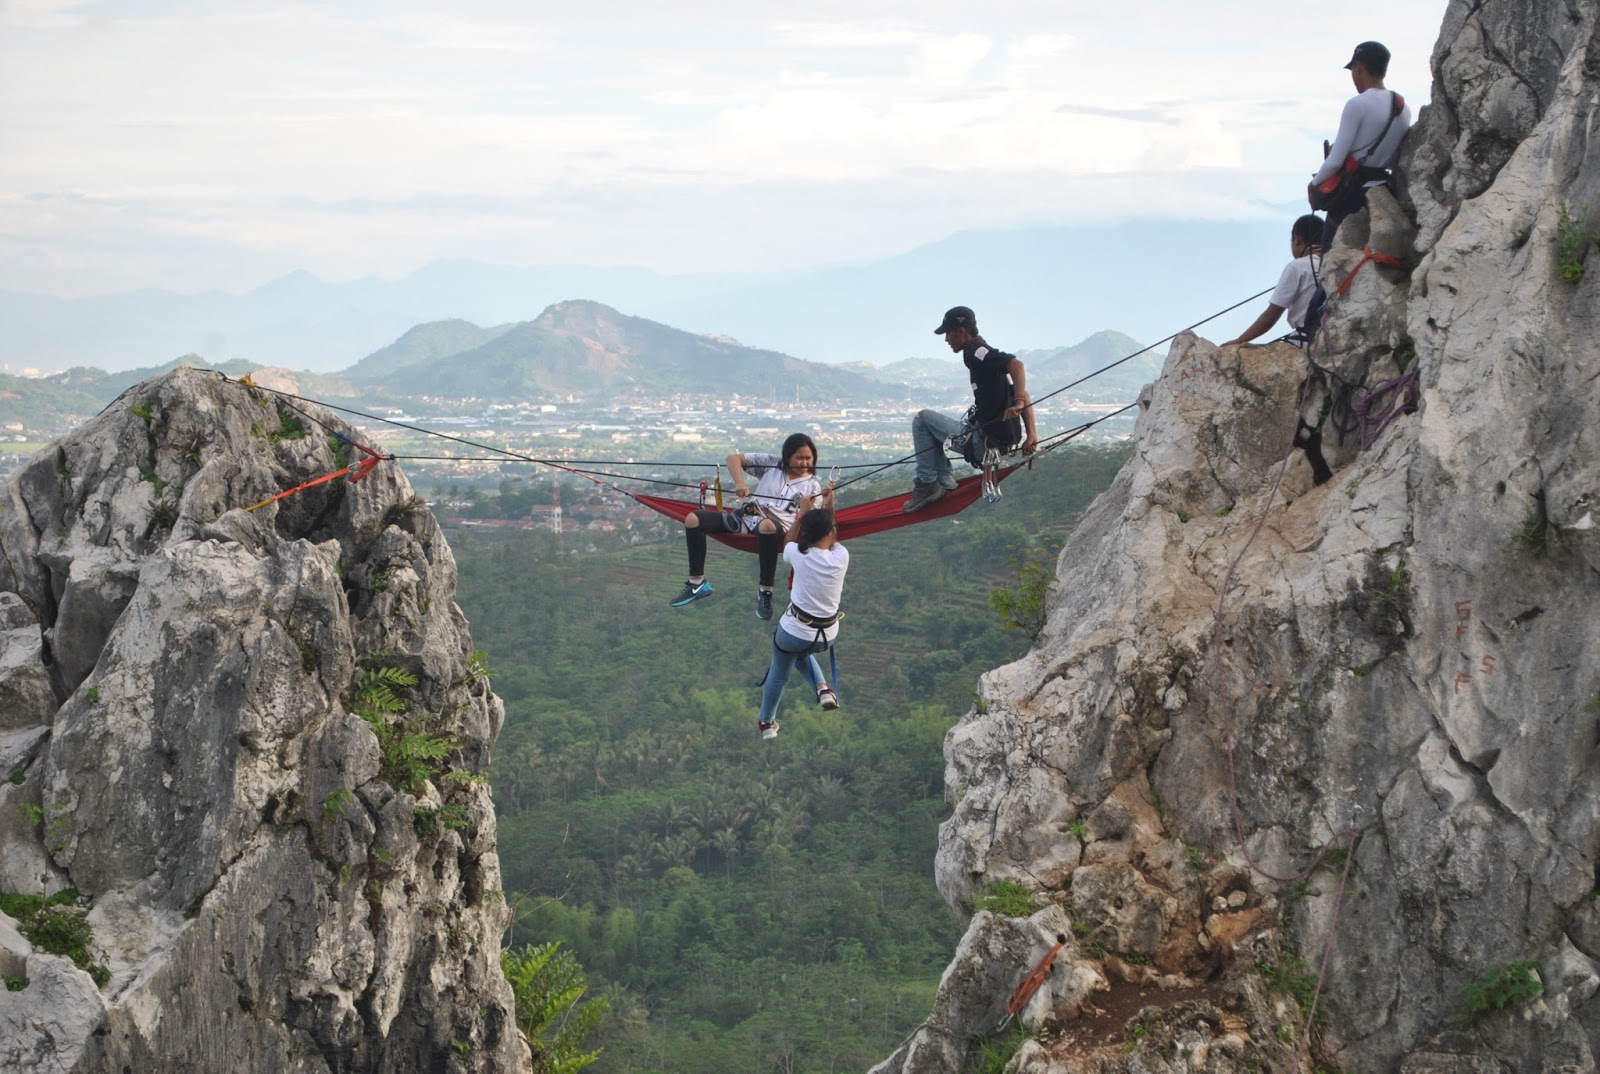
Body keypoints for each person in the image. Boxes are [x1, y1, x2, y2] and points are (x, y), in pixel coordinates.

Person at [670, 432, 822, 620]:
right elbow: (733, 458)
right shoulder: (772, 464)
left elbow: (817, 520)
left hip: (776, 527)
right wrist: (740, 483)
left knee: (767, 524)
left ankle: (765, 592)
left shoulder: (813, 487)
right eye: (799, 458)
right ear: (787, 457)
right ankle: (697, 583)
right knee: (693, 519)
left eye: (808, 458)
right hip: (747, 516)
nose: (804, 463)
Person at [903, 306, 1038, 513]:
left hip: (982, 443)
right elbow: (1023, 393)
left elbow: (1016, 365)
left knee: (922, 419)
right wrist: (1032, 435)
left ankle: (927, 484)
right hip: (993, 442)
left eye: (948, 333)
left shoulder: (978, 352)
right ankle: (944, 480)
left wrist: (1018, 401)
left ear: (961, 330)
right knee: (934, 427)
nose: (947, 339)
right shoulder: (982, 360)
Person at [755, 487, 846, 740]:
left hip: (797, 631)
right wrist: (829, 505)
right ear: (830, 533)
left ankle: (766, 722)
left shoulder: (800, 555)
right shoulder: (841, 556)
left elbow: (787, 544)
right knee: (799, 650)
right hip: (828, 635)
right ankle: (823, 689)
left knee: (780, 669)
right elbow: (833, 532)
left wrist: (801, 513)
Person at [1310, 41, 1412, 251]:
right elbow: (1394, 158)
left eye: (1353, 70)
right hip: (1384, 191)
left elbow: (1335, 161)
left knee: (1330, 261)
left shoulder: (1357, 105)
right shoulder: (1402, 107)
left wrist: (1313, 186)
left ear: (1359, 68)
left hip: (1351, 197)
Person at [1223, 214, 1325, 347]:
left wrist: (1240, 340)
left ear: (1297, 240)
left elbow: (1271, 315)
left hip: (1306, 340)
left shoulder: (1297, 266)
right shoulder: (1331, 264)